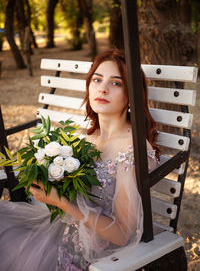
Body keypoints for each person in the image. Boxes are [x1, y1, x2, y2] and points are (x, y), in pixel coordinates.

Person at [0, 49, 160, 271]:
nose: (102, 88)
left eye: (116, 83)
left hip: (94, 256)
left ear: (131, 94)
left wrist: (62, 203)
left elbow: (122, 235)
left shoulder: (132, 150)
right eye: (97, 79)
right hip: (60, 233)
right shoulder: (88, 138)